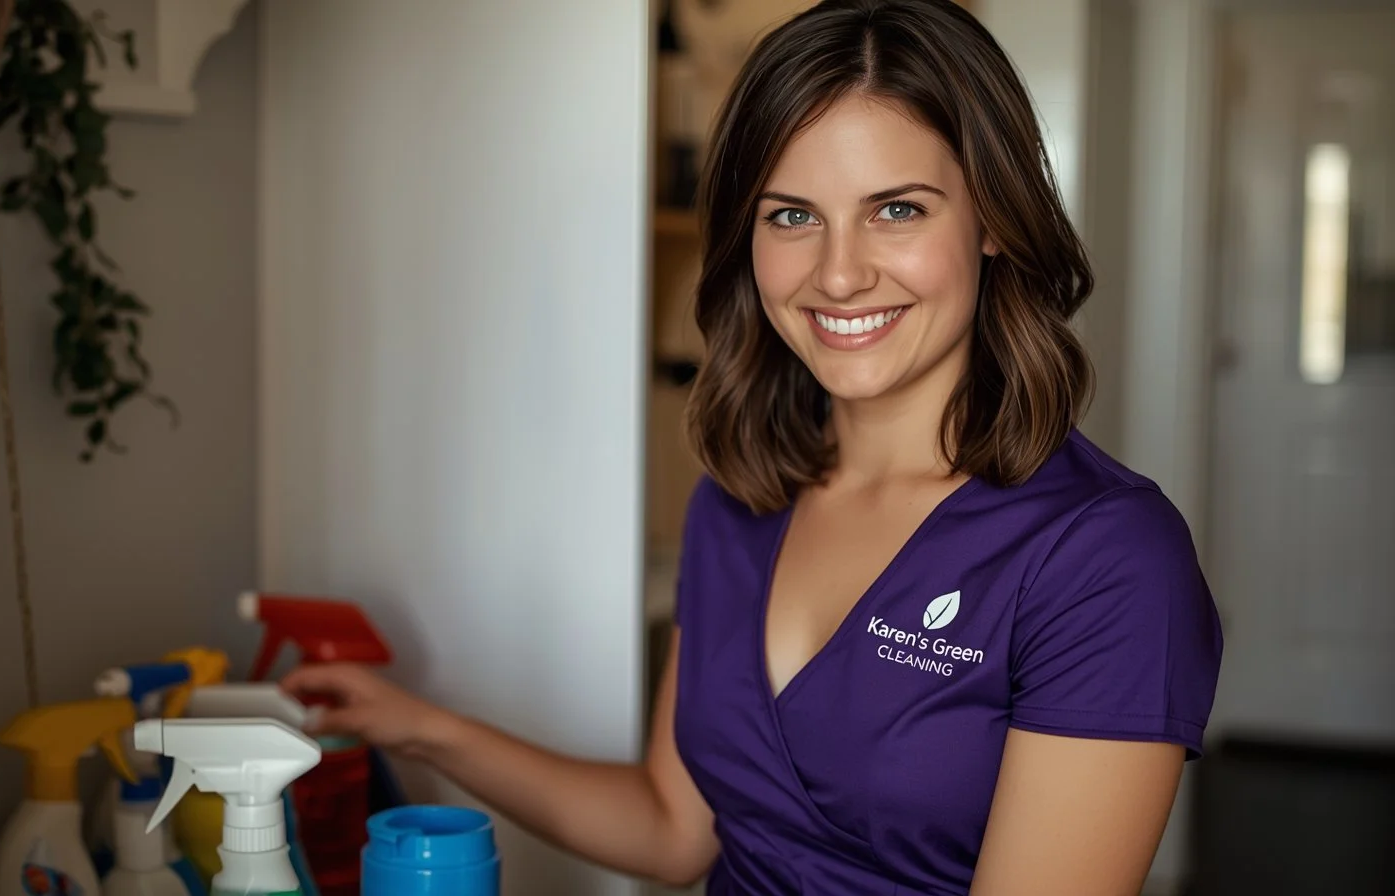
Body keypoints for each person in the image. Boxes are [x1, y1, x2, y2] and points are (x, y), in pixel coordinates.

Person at [281, 1, 1224, 893]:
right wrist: (418, 726)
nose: (840, 273)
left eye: (897, 209)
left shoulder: (1107, 557)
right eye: (791, 215)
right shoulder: (738, 499)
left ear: (992, 223)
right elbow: (670, 827)